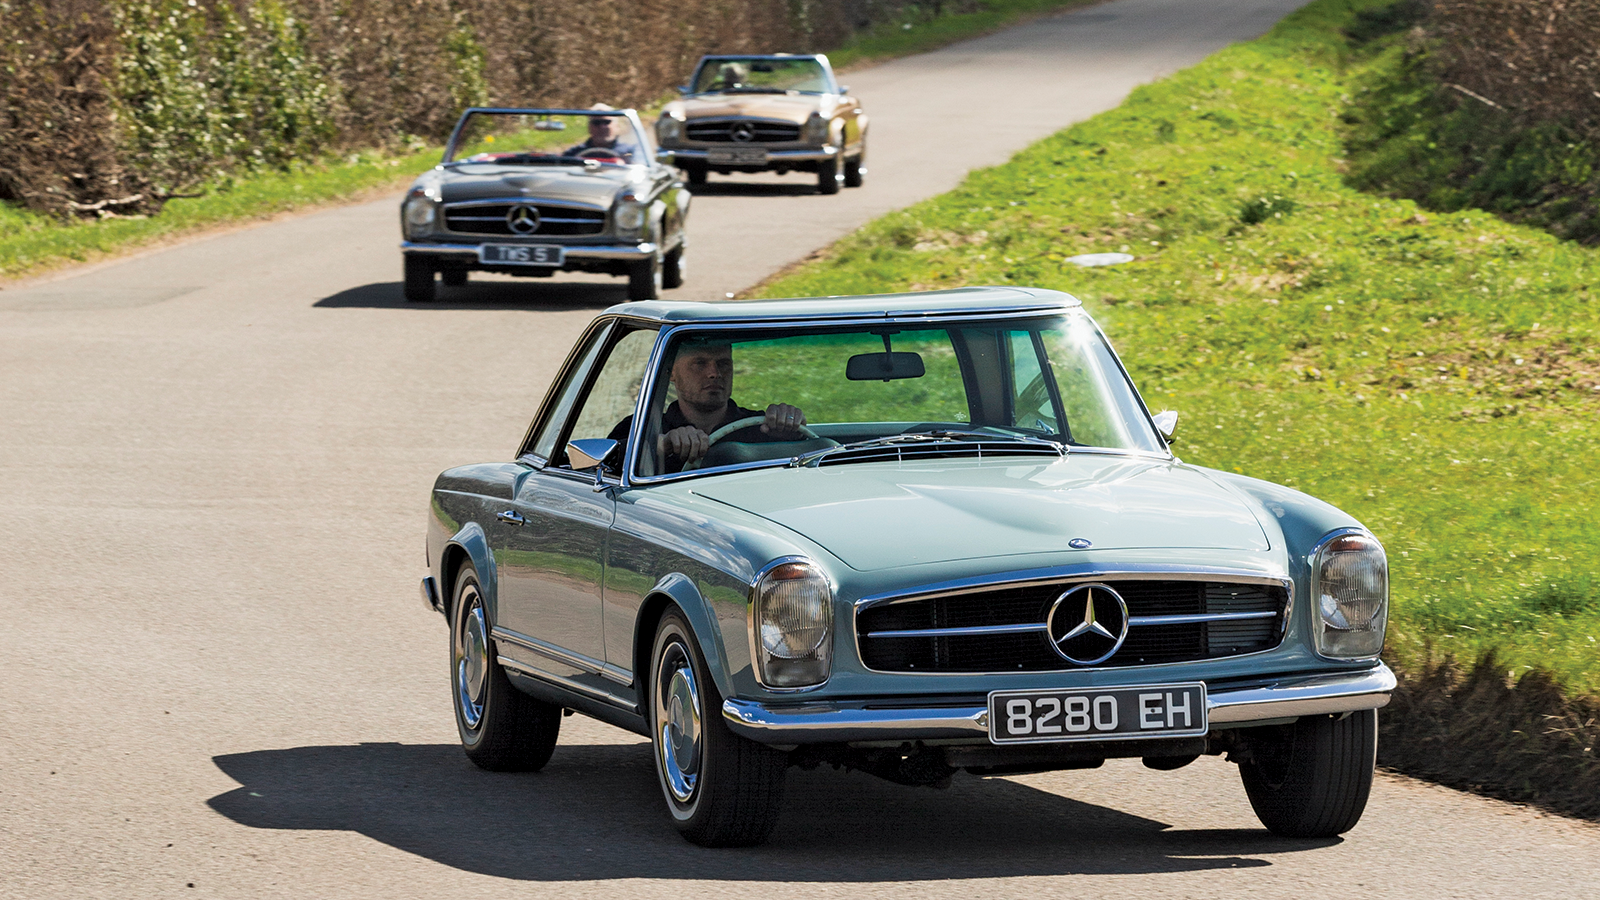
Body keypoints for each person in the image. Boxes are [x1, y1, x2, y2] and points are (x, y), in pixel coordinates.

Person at [609, 337, 806, 473]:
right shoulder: (640, 428)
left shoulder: (762, 428)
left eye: (723, 363)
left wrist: (792, 433)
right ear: (671, 373)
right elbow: (601, 466)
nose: (714, 373)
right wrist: (661, 444)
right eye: (700, 363)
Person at [564, 104, 639, 162]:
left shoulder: (630, 152)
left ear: (617, 125)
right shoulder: (574, 153)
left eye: (606, 122)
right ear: (589, 127)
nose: (602, 127)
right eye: (596, 123)